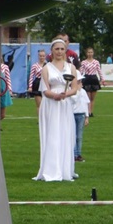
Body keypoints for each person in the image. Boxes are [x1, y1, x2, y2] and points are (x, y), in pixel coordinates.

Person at [33, 38, 81, 182]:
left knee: (65, 134)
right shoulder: (46, 68)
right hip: (51, 104)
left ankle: (65, 169)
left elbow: (75, 88)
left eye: (62, 49)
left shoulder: (71, 67)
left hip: (65, 105)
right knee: (52, 135)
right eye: (57, 49)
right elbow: (44, 90)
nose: (59, 52)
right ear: (52, 51)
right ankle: (51, 169)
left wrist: (66, 94)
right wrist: (55, 96)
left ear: (65, 50)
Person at [80, 47, 104, 116]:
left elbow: (99, 71)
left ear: (93, 53)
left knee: (92, 98)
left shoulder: (96, 62)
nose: (90, 54)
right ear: (86, 53)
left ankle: (91, 112)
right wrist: (79, 80)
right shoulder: (84, 62)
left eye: (91, 52)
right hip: (87, 79)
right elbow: (81, 72)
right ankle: (87, 111)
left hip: (94, 79)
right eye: (88, 52)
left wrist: (102, 79)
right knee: (87, 97)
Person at [72, 86, 90, 162]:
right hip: (72, 114)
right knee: (73, 136)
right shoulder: (71, 91)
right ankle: (74, 154)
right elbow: (74, 100)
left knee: (79, 136)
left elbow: (86, 104)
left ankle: (78, 154)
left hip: (81, 114)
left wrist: (87, 117)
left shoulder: (83, 91)